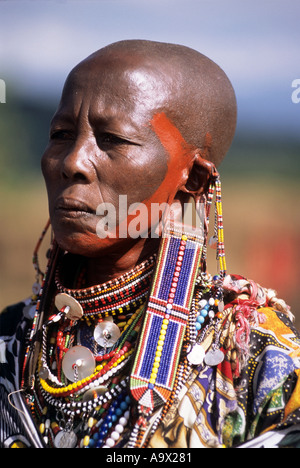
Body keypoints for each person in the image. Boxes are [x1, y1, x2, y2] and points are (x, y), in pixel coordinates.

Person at [1, 39, 300, 449]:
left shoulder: (253, 358)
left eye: (112, 140)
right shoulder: (13, 340)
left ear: (193, 179)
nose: (72, 161)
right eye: (61, 134)